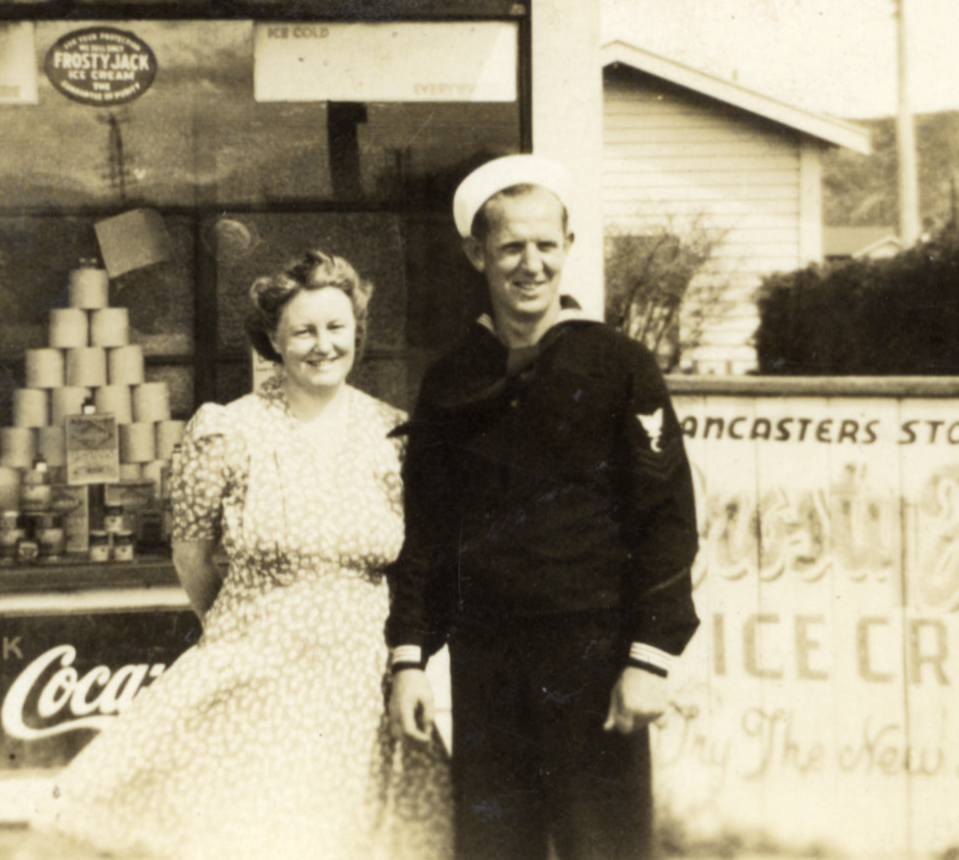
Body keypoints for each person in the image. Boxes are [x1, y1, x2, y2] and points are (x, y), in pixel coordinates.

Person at [42, 251, 450, 860]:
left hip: (362, 693)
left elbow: (417, 564)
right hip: (257, 687)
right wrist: (246, 640)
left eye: (337, 328)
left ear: (357, 334)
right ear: (274, 342)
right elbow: (193, 559)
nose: (322, 345)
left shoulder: (393, 434)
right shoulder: (227, 431)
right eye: (303, 331)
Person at [386, 155, 699, 860]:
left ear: (568, 247)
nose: (532, 265)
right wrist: (409, 656)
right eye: (511, 247)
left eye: (546, 245)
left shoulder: (620, 365)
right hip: (487, 666)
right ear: (476, 253)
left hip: (595, 661)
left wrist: (649, 657)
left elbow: (668, 521)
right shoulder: (451, 378)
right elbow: (427, 534)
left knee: (605, 848)